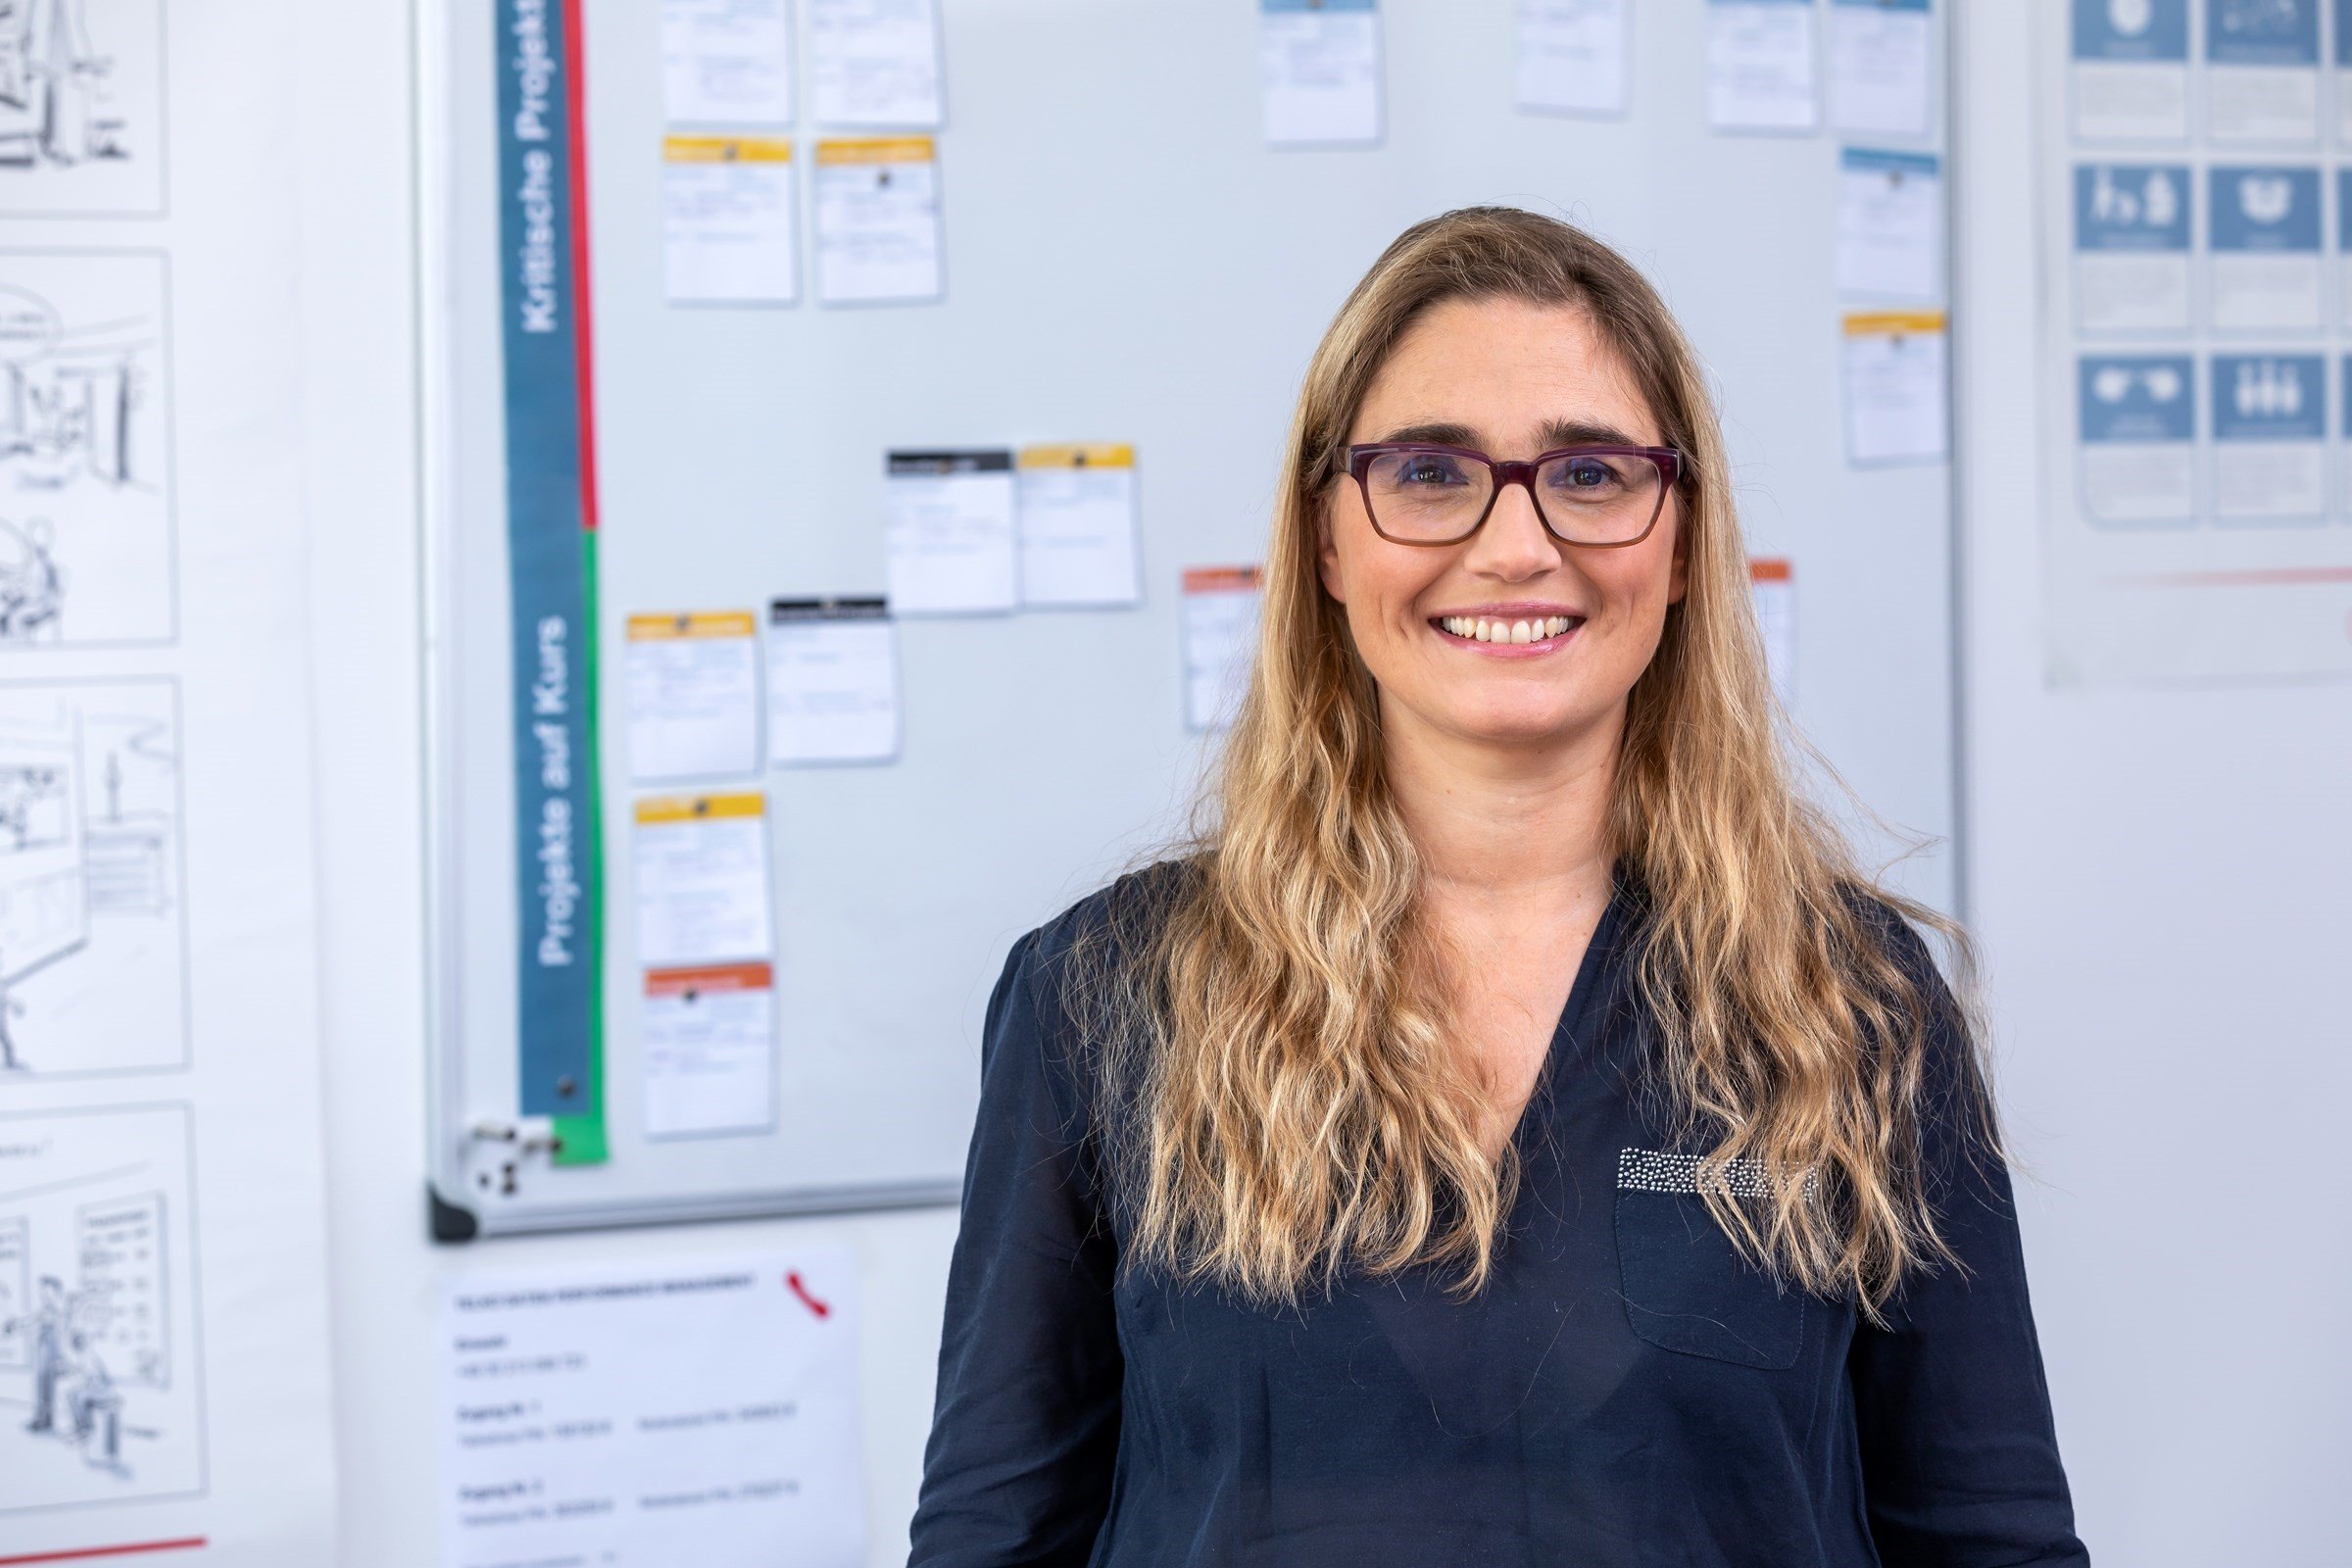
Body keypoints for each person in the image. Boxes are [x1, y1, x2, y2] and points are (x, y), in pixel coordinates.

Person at [908, 208, 2087, 1566]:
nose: (1517, 545)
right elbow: (993, 1536)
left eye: (1590, 475)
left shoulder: (1851, 1005)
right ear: (1332, 541)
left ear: (1684, 543)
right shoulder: (1107, 998)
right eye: (1428, 473)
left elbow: (1989, 1536)